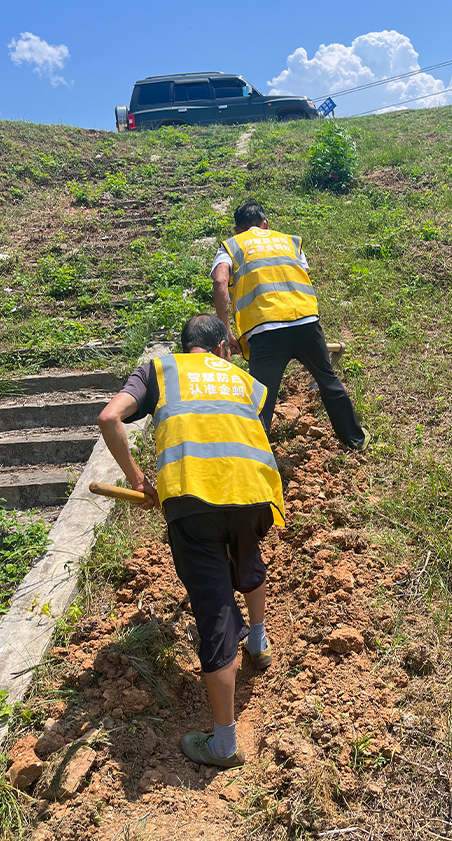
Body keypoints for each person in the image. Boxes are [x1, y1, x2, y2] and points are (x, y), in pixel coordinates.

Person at [96, 313, 285, 770]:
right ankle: (258, 644)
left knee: (215, 609)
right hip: (256, 494)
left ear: (187, 347)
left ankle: (223, 745)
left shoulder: (162, 370)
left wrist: (139, 480)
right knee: (248, 555)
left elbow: (109, 417)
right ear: (222, 347)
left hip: (194, 502)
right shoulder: (243, 379)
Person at [211, 199, 370, 450]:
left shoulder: (232, 246)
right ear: (266, 224)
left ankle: (251, 458)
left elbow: (221, 281)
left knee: (261, 399)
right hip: (305, 322)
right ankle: (355, 440)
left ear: (238, 230)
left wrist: (226, 331)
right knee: (328, 381)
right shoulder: (289, 241)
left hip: (265, 330)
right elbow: (299, 273)